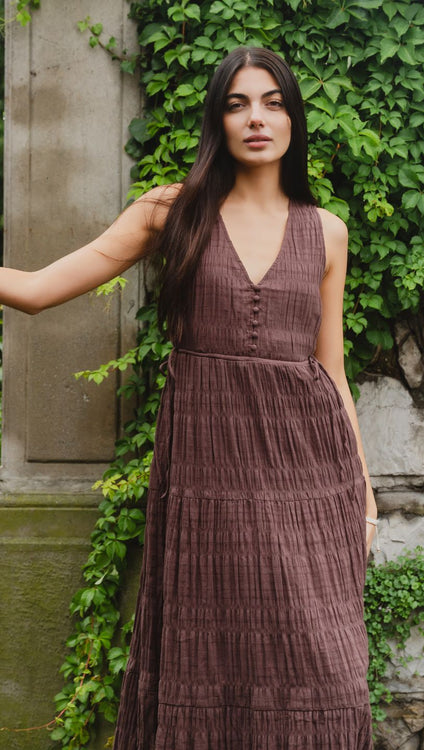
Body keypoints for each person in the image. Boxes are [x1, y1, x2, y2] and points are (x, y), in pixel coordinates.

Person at [1, 47, 378, 748]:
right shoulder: (169, 212)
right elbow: (35, 290)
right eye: (237, 104)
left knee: (331, 677)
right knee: (209, 670)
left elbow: (332, 372)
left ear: (294, 117)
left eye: (272, 102)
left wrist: (364, 491)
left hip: (312, 485)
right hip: (209, 484)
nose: (256, 118)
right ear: (218, 121)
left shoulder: (327, 232)